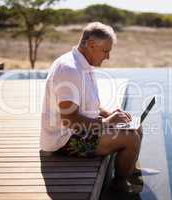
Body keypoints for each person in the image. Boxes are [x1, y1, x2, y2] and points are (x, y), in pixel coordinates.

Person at [40, 22, 143, 193]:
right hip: (64, 139)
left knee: (136, 126)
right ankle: (119, 185)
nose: (108, 56)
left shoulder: (83, 65)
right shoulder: (69, 70)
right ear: (91, 45)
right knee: (130, 138)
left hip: (79, 129)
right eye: (105, 51)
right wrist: (106, 122)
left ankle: (130, 170)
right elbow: (69, 120)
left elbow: (90, 104)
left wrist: (110, 114)